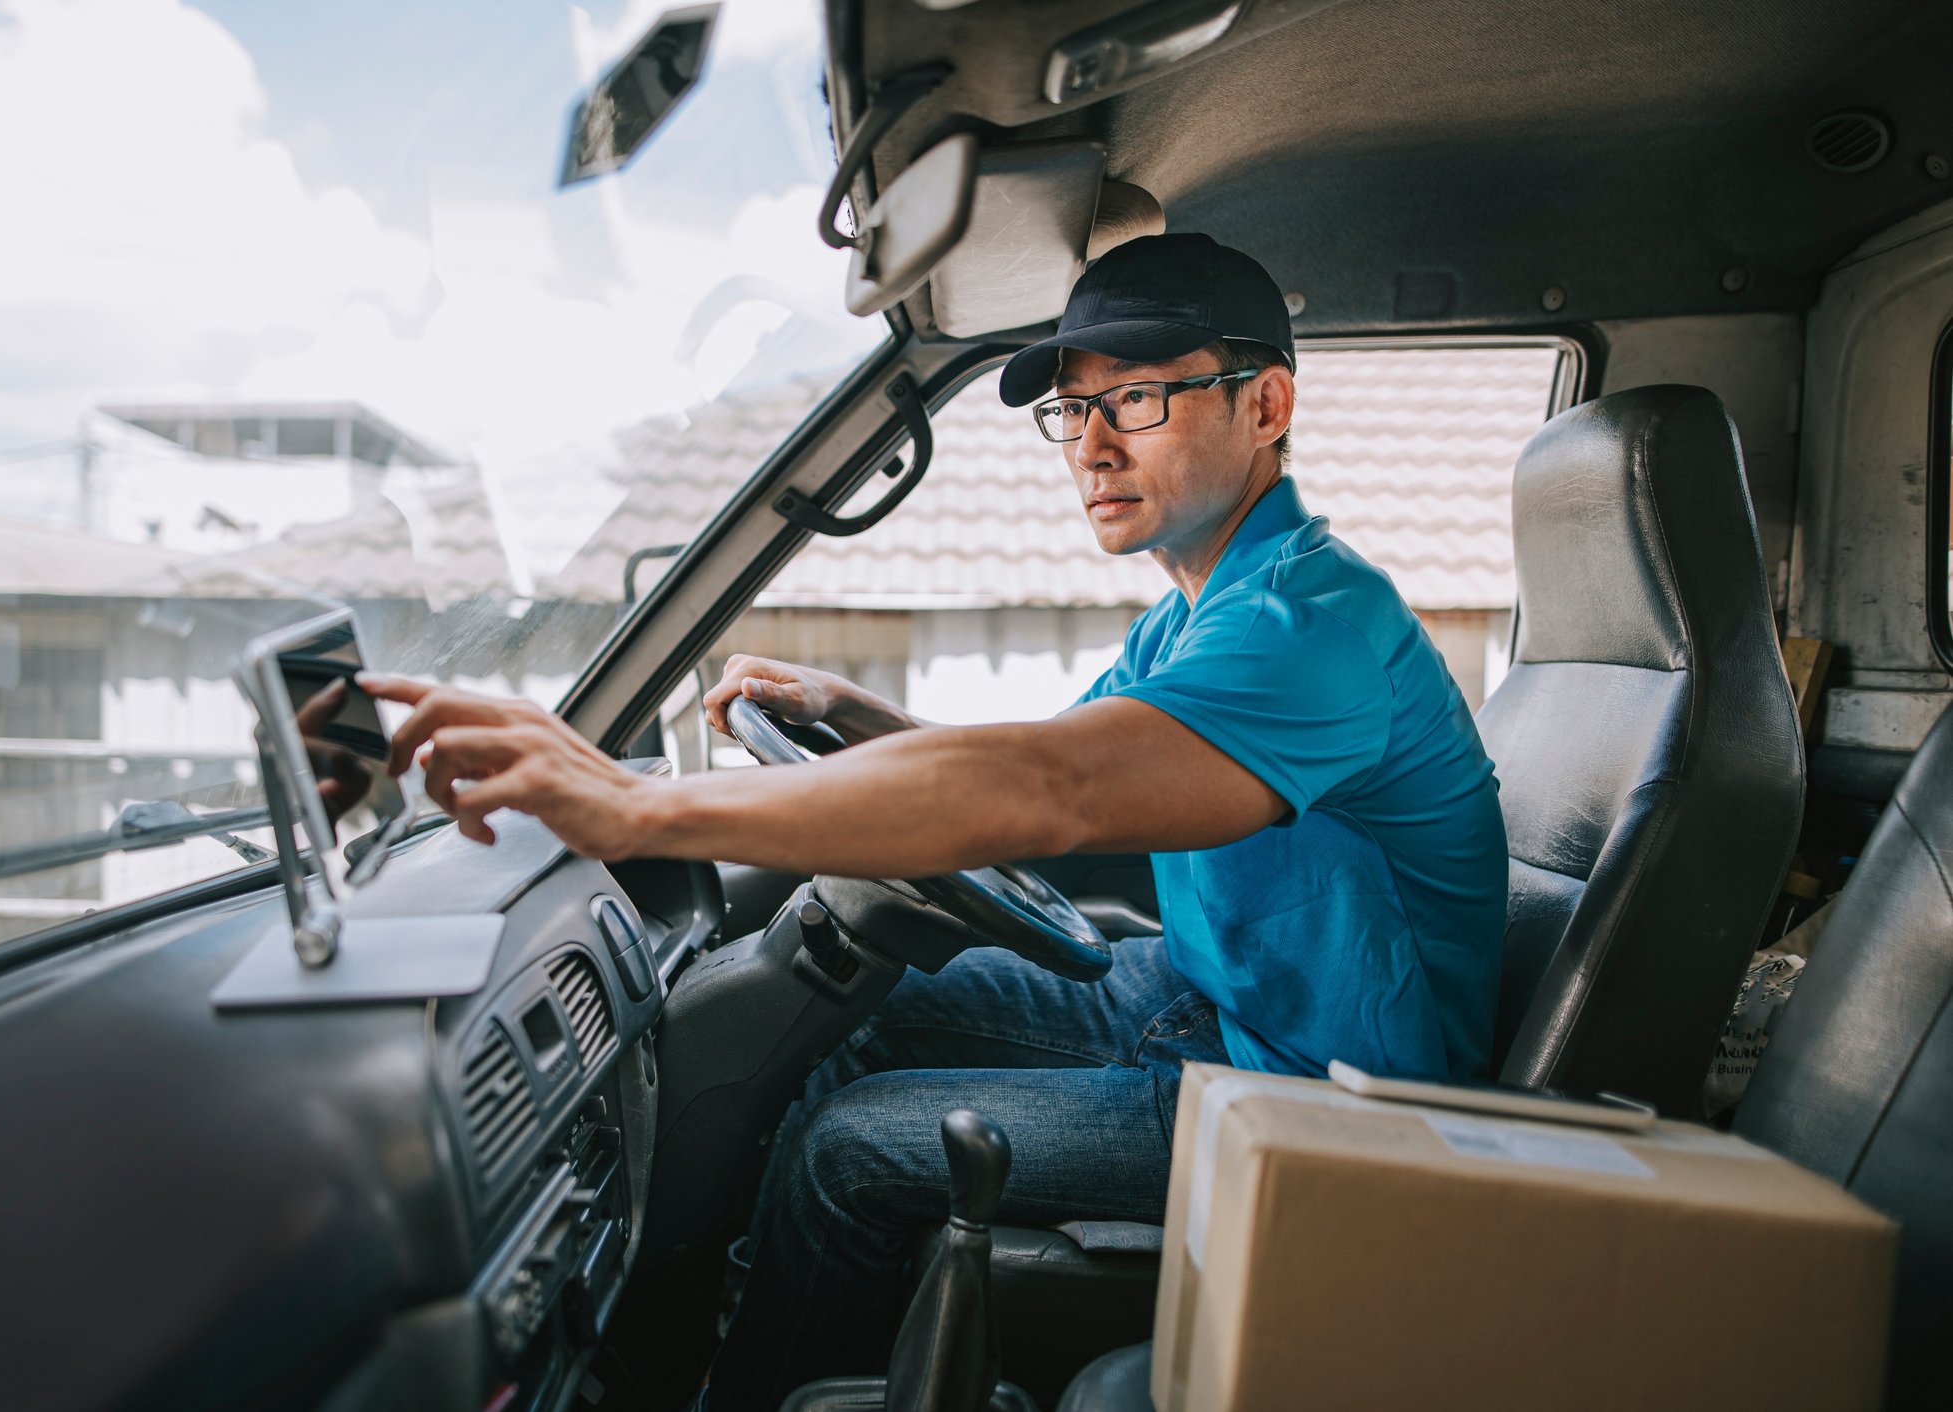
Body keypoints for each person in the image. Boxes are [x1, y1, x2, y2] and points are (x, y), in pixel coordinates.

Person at [361, 232, 1508, 1408]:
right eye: (1074, 411)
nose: (1094, 445)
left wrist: (634, 805)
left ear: (1264, 404)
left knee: (848, 1149)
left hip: (1314, 1097)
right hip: (1207, 997)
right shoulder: (1203, 611)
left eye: (1140, 398)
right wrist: (851, 712)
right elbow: (1044, 765)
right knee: (851, 1019)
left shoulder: (1302, 627)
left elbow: (1041, 794)